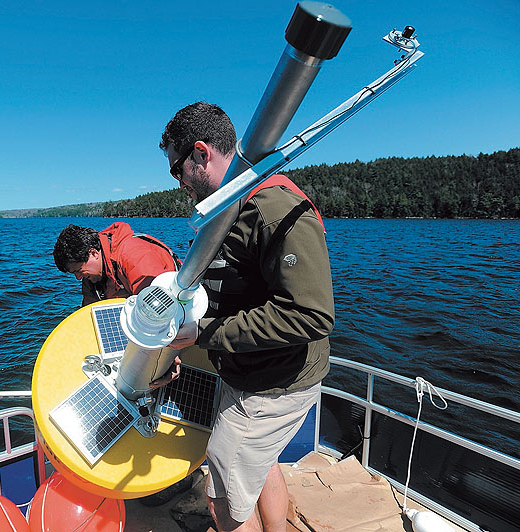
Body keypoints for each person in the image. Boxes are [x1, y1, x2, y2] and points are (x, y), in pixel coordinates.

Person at [157, 102, 335, 532]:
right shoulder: (229, 209)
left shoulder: (272, 209)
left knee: (223, 500)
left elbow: (310, 315)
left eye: (176, 169)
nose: (177, 181)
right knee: (259, 465)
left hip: (272, 387)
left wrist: (202, 333)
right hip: (246, 373)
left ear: (201, 154)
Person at [53, 222, 180, 307]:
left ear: (93, 253)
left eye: (78, 271)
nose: (78, 278)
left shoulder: (134, 255)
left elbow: (156, 308)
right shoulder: (92, 276)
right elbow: (89, 312)